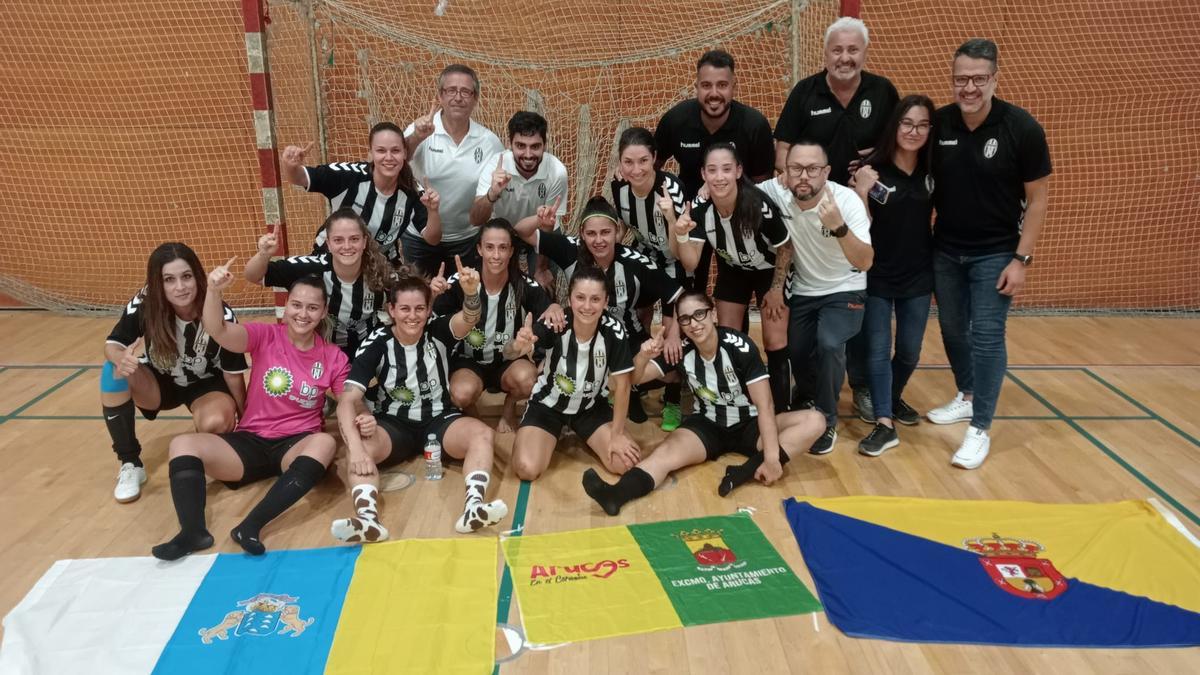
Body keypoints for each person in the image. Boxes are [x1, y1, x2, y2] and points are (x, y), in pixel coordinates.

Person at [152, 264, 351, 561]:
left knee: (324, 442)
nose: (302, 314)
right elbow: (216, 329)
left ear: (323, 313)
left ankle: (251, 526)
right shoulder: (265, 336)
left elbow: (347, 399)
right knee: (182, 443)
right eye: (296, 305)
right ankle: (192, 532)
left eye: (312, 308)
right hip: (250, 443)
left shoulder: (332, 356)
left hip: (294, 446)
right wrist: (215, 291)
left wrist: (360, 416)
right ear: (287, 306)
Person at [582, 290, 825, 515]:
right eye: (686, 319)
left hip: (750, 425)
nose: (694, 324)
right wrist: (644, 355)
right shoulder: (680, 349)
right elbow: (630, 380)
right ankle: (615, 495)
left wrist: (772, 458)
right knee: (664, 453)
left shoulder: (739, 346)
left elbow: (766, 406)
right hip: (707, 425)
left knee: (815, 421)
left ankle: (745, 471)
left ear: (713, 313)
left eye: (699, 314)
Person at [926, 38, 1051, 469]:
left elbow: (1037, 200)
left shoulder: (1022, 128)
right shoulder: (939, 124)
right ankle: (966, 393)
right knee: (953, 328)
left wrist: (1022, 260)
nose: (969, 88)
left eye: (979, 79)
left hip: (996, 253)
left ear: (995, 78)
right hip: (945, 248)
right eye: (961, 79)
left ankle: (979, 428)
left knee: (986, 336)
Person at [773, 17, 899, 420]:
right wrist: (788, 189)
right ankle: (812, 391)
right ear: (825, 54)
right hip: (811, 208)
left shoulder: (882, 92)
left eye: (852, 50)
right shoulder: (806, 92)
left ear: (864, 52)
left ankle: (863, 385)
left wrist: (869, 186)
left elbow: (898, 146)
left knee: (861, 302)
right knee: (811, 327)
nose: (845, 57)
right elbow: (783, 150)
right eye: (837, 50)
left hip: (866, 205)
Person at [334, 260, 509, 540]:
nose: (412, 316)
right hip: (392, 425)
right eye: (404, 308)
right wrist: (355, 448)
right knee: (356, 452)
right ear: (391, 310)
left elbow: (469, 318)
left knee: (482, 434)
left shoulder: (438, 330)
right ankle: (368, 521)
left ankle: (473, 508)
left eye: (419, 308)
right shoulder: (377, 343)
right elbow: (346, 400)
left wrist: (472, 293)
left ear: (429, 309)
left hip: (439, 421)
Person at [513, 197, 683, 423]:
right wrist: (540, 218)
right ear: (582, 233)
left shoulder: (636, 263)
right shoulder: (571, 249)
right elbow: (521, 231)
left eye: (605, 232)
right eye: (592, 233)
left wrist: (673, 334)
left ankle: (669, 400)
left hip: (625, 336)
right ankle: (604, 393)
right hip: (578, 336)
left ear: (618, 232)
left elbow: (679, 295)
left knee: (674, 365)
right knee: (547, 372)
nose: (599, 240)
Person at [102, 243, 247, 503]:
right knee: (112, 372)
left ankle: (204, 451)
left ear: (198, 277)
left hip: (205, 384)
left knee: (215, 423)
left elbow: (233, 375)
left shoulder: (219, 312)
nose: (180, 287)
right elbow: (113, 344)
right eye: (169, 279)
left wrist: (247, 424)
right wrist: (119, 359)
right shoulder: (145, 304)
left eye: (186, 276)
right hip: (159, 381)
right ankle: (130, 464)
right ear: (158, 284)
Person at [759, 141, 873, 455]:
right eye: (796, 169)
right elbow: (736, 187)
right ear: (785, 171)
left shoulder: (845, 201)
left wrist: (839, 228)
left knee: (830, 344)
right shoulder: (777, 192)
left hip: (845, 286)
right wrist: (702, 190)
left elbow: (865, 261)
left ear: (826, 172)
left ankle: (827, 417)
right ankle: (810, 395)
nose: (803, 176)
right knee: (796, 349)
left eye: (812, 169)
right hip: (805, 289)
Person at [668, 143, 793, 413]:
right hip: (733, 270)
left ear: (738, 171)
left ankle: (781, 411)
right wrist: (680, 234)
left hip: (768, 271)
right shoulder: (700, 209)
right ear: (703, 174)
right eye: (712, 170)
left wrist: (776, 289)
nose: (719, 176)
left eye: (726, 169)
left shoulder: (758, 204)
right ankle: (738, 401)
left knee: (774, 340)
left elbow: (785, 245)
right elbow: (691, 262)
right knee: (729, 337)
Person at [850, 95, 937, 456]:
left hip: (918, 274)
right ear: (894, 126)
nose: (913, 131)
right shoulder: (871, 171)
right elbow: (860, 228)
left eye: (921, 125)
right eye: (906, 123)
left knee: (910, 350)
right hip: (877, 273)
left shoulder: (934, 170)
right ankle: (885, 423)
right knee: (877, 348)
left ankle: (892, 396)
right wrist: (861, 191)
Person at [655, 49, 775, 293]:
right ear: (696, 86)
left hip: (737, 216)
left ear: (733, 86)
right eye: (706, 85)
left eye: (722, 85)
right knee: (690, 286)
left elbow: (763, 184)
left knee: (734, 288)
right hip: (691, 215)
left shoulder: (754, 125)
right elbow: (652, 165)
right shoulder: (676, 120)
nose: (714, 93)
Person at [509, 266, 640, 481]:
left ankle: (581, 432)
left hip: (590, 408)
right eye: (580, 297)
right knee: (526, 469)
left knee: (626, 464)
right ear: (569, 299)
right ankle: (546, 432)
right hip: (548, 406)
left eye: (596, 299)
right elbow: (513, 351)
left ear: (606, 302)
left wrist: (616, 435)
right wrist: (518, 345)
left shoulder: (614, 330)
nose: (587, 306)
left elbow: (623, 386)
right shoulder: (556, 322)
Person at [432, 218, 563, 433]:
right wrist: (431, 294)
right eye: (489, 247)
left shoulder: (523, 283)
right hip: (469, 361)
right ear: (479, 249)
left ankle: (509, 406)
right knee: (460, 394)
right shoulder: (463, 281)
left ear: (511, 251)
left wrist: (553, 308)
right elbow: (432, 319)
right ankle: (473, 413)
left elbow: (548, 315)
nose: (496, 255)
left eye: (503, 248)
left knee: (528, 382)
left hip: (509, 360)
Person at [610, 126, 687, 430]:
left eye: (643, 161)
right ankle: (634, 390)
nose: (636, 169)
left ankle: (672, 399)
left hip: (675, 262)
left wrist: (669, 217)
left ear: (656, 159)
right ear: (620, 163)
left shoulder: (672, 190)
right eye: (628, 162)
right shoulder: (619, 187)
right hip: (643, 256)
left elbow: (680, 249)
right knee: (635, 324)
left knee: (671, 338)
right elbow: (628, 225)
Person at [280, 122, 442, 264]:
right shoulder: (347, 176)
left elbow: (433, 238)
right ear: (371, 153)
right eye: (381, 151)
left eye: (395, 151)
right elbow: (299, 178)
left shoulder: (412, 192)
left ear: (405, 153)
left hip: (380, 265)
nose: (388, 157)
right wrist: (290, 165)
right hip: (331, 257)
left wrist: (433, 211)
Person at [245, 208, 395, 359]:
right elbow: (254, 276)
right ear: (328, 244)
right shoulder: (309, 268)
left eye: (354, 239)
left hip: (364, 349)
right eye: (338, 240)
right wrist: (263, 254)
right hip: (318, 350)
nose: (347, 246)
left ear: (364, 242)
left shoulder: (380, 273)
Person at [403, 64, 504, 276]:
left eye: (465, 91)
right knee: (419, 302)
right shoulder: (419, 129)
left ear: (475, 99)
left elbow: (489, 195)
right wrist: (416, 138)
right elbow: (396, 162)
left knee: (465, 301)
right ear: (440, 96)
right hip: (420, 237)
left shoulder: (489, 142)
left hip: (466, 240)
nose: (458, 97)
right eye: (451, 90)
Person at [470, 111, 568, 290]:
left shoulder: (557, 171)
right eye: (521, 145)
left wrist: (541, 269)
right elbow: (476, 219)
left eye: (535, 146)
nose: (528, 154)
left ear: (545, 145)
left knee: (543, 286)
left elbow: (548, 228)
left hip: (539, 230)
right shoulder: (495, 166)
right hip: (503, 232)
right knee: (499, 288)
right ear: (509, 144)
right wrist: (492, 193)